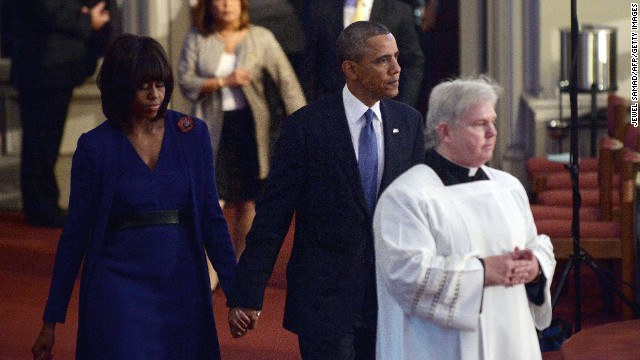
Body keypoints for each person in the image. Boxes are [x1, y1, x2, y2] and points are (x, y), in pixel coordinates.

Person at [31, 34, 238, 360]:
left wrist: (236, 294)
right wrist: (51, 319)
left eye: (160, 84)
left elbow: (212, 219)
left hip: (181, 281)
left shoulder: (192, 135)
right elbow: (75, 235)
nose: (155, 94)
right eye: (144, 86)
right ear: (119, 87)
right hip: (118, 285)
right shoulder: (95, 147)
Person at [227, 21, 425, 359]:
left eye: (397, 58)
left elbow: (421, 209)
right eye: (383, 60)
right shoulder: (306, 127)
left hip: (388, 298)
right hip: (325, 301)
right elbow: (273, 217)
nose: (396, 69)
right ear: (351, 69)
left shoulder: (408, 122)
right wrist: (247, 293)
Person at [373, 76, 556, 359]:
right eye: (480, 124)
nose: (493, 132)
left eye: (492, 122)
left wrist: (535, 267)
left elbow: (535, 242)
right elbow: (404, 273)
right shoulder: (407, 197)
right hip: (441, 346)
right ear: (445, 132)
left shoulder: (508, 186)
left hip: (511, 337)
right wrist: (483, 272)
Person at [178, 0, 306, 272]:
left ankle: (241, 266)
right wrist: (222, 81)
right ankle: (209, 269)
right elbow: (186, 82)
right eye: (220, 1)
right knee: (211, 200)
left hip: (249, 128)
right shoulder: (198, 37)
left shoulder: (261, 37)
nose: (226, 5)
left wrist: (306, 126)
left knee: (247, 200)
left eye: (232, 0)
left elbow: (288, 84)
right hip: (211, 129)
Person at [10, 0, 111, 227]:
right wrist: (86, 19)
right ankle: (42, 207)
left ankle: (43, 205)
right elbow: (48, 8)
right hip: (44, 65)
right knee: (41, 142)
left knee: (45, 141)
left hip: (56, 65)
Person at [300, 0, 424, 108]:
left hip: (384, 109)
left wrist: (403, 107)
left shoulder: (399, 11)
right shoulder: (320, 8)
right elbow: (310, 63)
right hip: (330, 110)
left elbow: (412, 64)